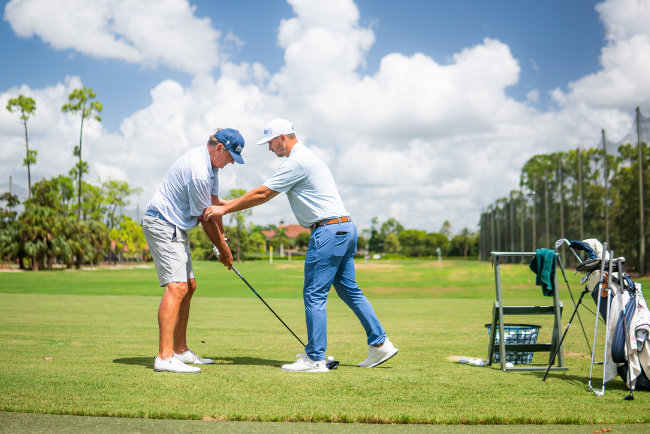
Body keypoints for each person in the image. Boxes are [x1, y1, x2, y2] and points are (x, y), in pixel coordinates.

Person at [204, 119, 398, 372]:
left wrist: (226, 208)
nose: (271, 149)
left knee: (314, 294)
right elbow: (260, 195)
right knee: (350, 291)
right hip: (345, 228)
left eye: (272, 143)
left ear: (283, 137)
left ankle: (315, 358)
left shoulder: (296, 162)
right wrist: (224, 202)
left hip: (327, 232)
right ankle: (380, 344)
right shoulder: (308, 158)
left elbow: (264, 194)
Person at [142, 128, 243, 373]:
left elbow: (213, 210)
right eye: (230, 156)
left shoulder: (212, 169)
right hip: (163, 222)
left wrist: (224, 244)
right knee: (177, 287)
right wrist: (224, 251)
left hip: (175, 226)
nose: (231, 162)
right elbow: (205, 218)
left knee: (189, 286)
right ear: (219, 148)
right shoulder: (199, 171)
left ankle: (180, 350)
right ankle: (164, 357)